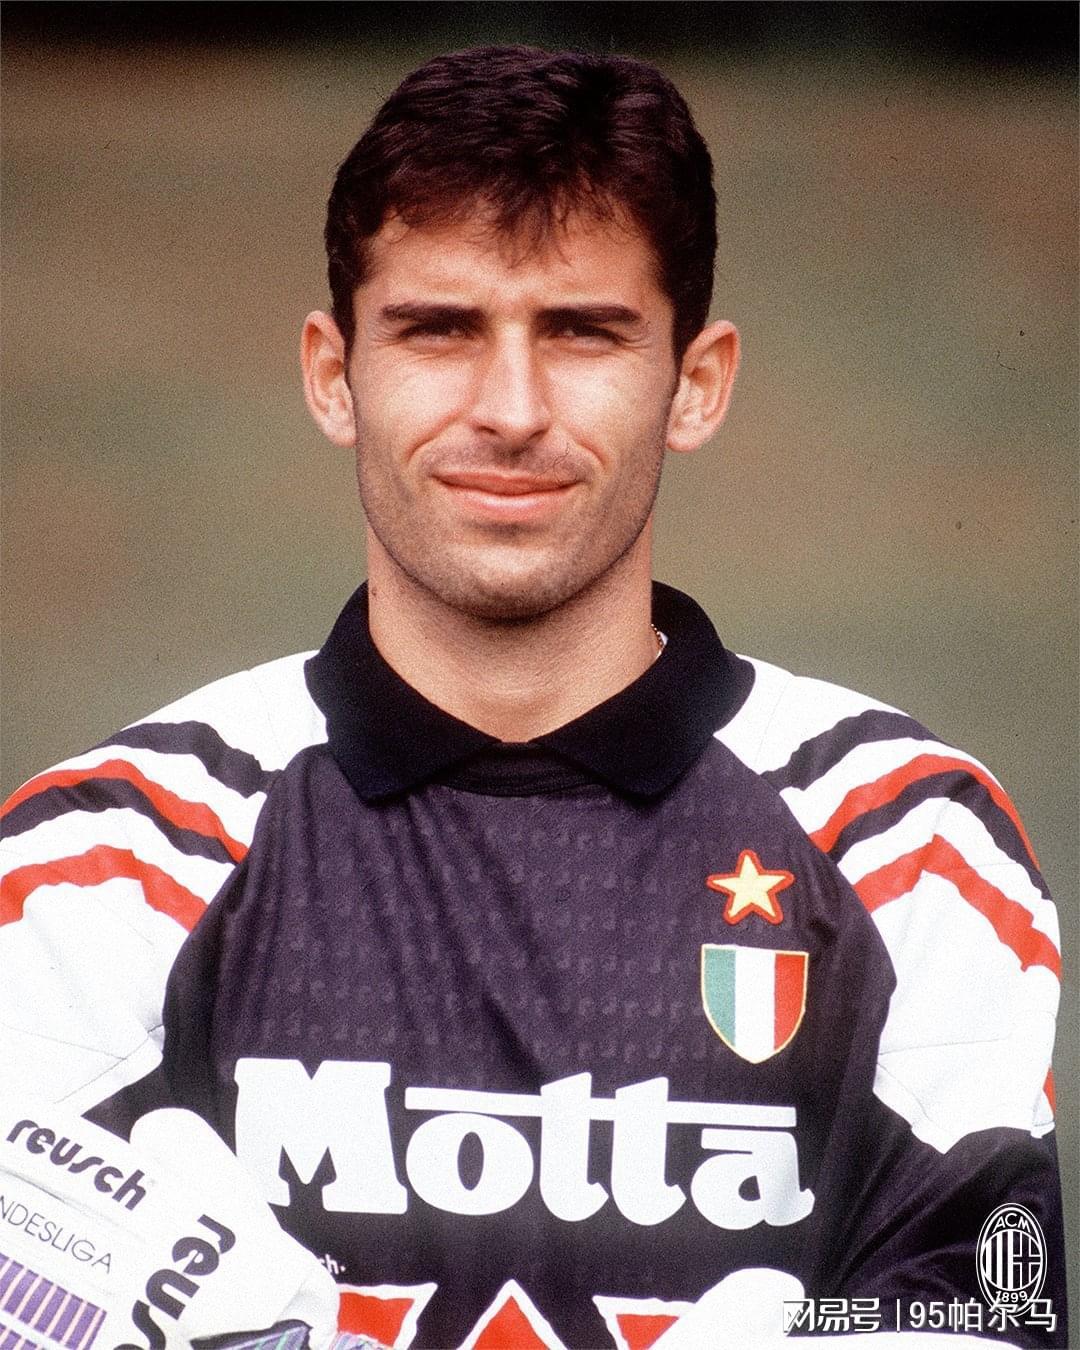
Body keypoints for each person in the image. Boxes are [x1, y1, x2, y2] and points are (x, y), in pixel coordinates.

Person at [0, 46, 1066, 1349]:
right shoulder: (107, 859)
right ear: (334, 374)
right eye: (439, 329)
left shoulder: (908, 842)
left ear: (696, 381)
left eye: (582, 332)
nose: (510, 410)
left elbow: (995, 1307)